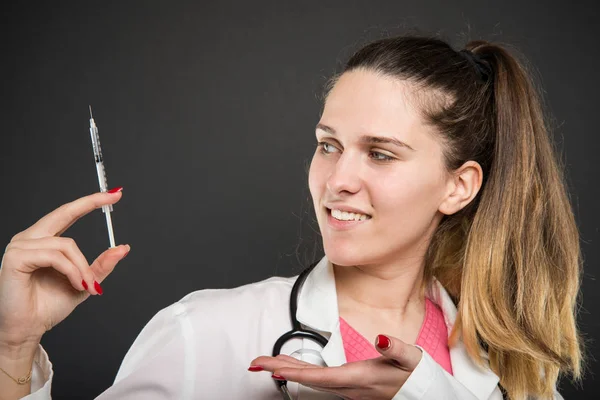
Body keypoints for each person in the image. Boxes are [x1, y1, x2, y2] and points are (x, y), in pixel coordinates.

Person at [0, 34, 584, 400]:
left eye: (379, 153)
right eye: (328, 144)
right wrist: (11, 351)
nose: (336, 180)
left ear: (458, 187)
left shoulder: (512, 368)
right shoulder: (206, 334)